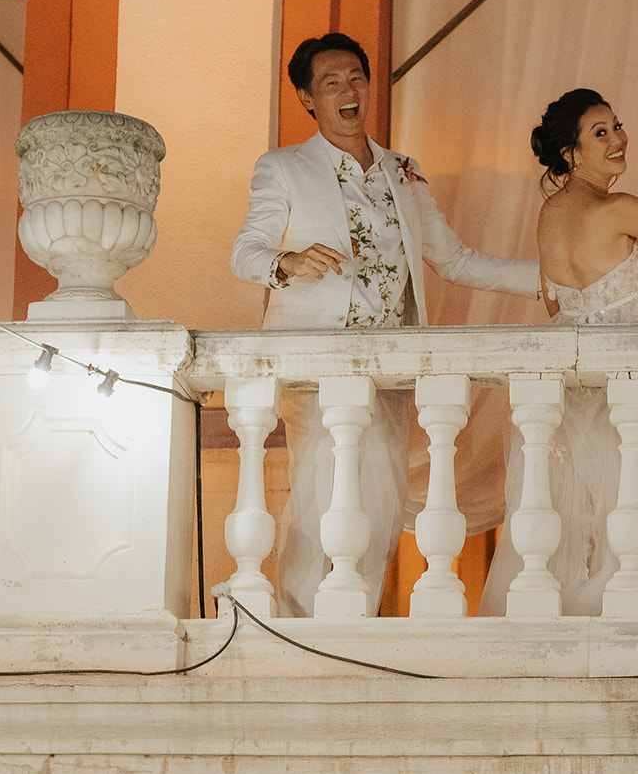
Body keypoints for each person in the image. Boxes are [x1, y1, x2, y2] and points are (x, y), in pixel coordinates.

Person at [231, 32, 539, 614]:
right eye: (331, 82)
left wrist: (554, 279)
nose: (348, 90)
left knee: (377, 499)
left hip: (392, 369)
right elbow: (245, 253)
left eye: (356, 78)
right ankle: (300, 624)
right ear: (307, 98)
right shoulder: (284, 167)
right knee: (323, 497)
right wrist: (286, 262)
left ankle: (351, 622)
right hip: (320, 366)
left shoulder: (403, 170)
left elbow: (454, 259)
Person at [478, 87, 638, 618]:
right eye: (601, 133)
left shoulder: (549, 215)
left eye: (617, 126)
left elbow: (555, 302)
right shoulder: (619, 208)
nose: (618, 139)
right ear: (570, 153)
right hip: (632, 356)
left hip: (574, 363)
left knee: (589, 505)